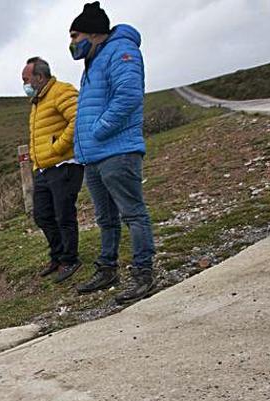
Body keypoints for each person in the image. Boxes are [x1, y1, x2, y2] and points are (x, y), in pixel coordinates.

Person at [69, 1, 156, 302]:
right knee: (106, 218)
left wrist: (100, 129)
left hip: (117, 151)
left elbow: (129, 94)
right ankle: (108, 269)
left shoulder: (120, 51)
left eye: (75, 35)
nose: (72, 43)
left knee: (133, 213)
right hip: (95, 156)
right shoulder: (94, 61)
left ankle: (144, 273)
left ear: (93, 33)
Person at [22, 56, 83, 283]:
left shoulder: (61, 91)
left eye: (26, 79)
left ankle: (70, 259)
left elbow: (78, 119)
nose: (25, 85)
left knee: (64, 214)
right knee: (43, 215)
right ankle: (58, 256)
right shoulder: (37, 102)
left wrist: (58, 147)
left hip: (64, 165)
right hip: (44, 169)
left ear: (39, 76)